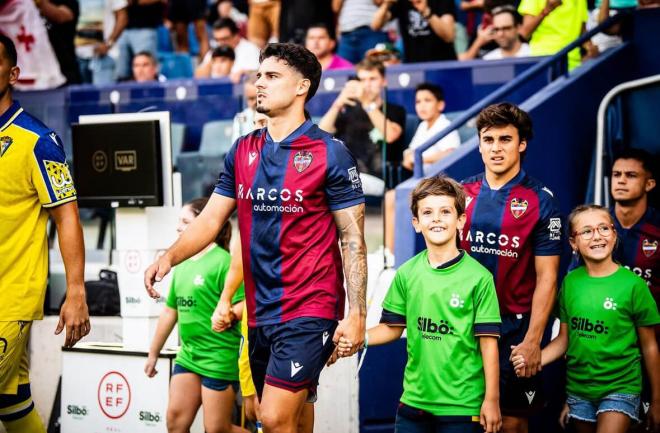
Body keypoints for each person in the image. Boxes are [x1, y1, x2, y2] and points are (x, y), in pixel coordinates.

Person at [145, 42, 367, 433]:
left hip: (311, 305)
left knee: (273, 418)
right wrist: (168, 258)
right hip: (260, 307)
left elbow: (352, 239)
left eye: (271, 76)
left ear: (302, 87)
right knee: (292, 417)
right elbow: (211, 218)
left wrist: (357, 315)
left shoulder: (331, 153)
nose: (258, 84)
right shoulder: (243, 149)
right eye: (258, 75)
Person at [336, 175, 502, 433]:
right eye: (427, 212)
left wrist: (492, 400)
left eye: (445, 211)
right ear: (416, 222)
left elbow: (488, 345)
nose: (436, 218)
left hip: (462, 407)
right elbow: (392, 327)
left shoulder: (479, 278)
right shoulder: (407, 273)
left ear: (460, 220)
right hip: (413, 403)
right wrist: (360, 338)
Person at [0, 34, 90, 433]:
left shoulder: (38, 141)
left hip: (10, 298)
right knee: (13, 406)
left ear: (13, 73)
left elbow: (68, 217)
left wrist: (76, 291)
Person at [512, 204, 660, 433]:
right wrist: (534, 359)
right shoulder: (570, 283)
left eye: (604, 228)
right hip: (579, 390)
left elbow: (650, 346)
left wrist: (658, 401)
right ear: (573, 243)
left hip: (621, 387)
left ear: (614, 234)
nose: (597, 236)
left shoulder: (634, 286)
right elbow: (564, 340)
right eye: (587, 231)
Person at [460, 103, 562, 433]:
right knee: (462, 417)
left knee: (513, 422)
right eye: (488, 140)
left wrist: (534, 340)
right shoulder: (461, 193)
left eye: (505, 139)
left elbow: (548, 277)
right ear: (479, 144)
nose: (496, 148)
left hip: (515, 329)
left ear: (521, 144)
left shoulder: (542, 200)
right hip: (465, 324)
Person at [145, 198, 247, 433]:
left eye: (185, 221)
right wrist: (153, 354)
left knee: (217, 429)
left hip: (218, 358)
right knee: (175, 423)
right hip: (188, 356)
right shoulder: (181, 264)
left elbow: (245, 306)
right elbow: (170, 312)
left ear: (204, 223)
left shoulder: (225, 262)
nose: (178, 227)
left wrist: (230, 314)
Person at [609, 148, 659, 428]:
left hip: (650, 347)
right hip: (601, 349)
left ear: (649, 184)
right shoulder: (596, 226)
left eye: (631, 175)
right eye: (616, 175)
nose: (621, 181)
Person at [384, 82, 460, 254]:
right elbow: (410, 153)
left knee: (391, 197)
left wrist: (420, 158)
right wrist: (410, 158)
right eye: (418, 102)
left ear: (440, 105)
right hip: (420, 181)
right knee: (390, 197)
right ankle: (390, 251)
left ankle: (392, 251)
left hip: (439, 183)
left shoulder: (445, 124)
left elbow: (451, 153)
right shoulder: (423, 126)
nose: (422, 105)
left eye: (427, 100)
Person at [319, 58, 406, 196]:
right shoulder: (348, 108)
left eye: (372, 79)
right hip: (345, 174)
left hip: (377, 178)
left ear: (384, 81)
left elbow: (390, 135)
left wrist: (366, 102)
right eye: (363, 80)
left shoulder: (395, 110)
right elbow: (322, 133)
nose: (367, 84)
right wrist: (338, 103)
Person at [372, 0, 457, 62]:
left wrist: (426, 12)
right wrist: (386, 4)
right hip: (413, 64)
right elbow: (375, 25)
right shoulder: (402, 2)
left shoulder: (442, 2)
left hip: (442, 62)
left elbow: (449, 36)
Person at [518, 0, 589, 70]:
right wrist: (546, 11)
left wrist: (589, 49)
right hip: (543, 60)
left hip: (572, 63)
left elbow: (582, 31)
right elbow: (524, 33)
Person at [195, 18, 261, 81]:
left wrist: (245, 72)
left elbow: (258, 74)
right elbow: (198, 77)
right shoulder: (215, 51)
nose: (220, 43)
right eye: (217, 40)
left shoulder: (250, 50)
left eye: (224, 39)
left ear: (236, 35)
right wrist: (211, 62)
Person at [459, 6, 530, 61]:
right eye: (496, 29)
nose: (500, 34)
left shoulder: (534, 54)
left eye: (506, 28)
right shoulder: (488, 60)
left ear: (518, 27)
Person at [115, 0, 163, 81]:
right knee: (122, 74)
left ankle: (154, 93)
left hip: (145, 26)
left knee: (146, 69)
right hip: (121, 29)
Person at [37, 0, 82, 84]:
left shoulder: (69, 3)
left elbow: (61, 16)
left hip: (64, 70)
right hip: (35, 72)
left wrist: (39, 3)